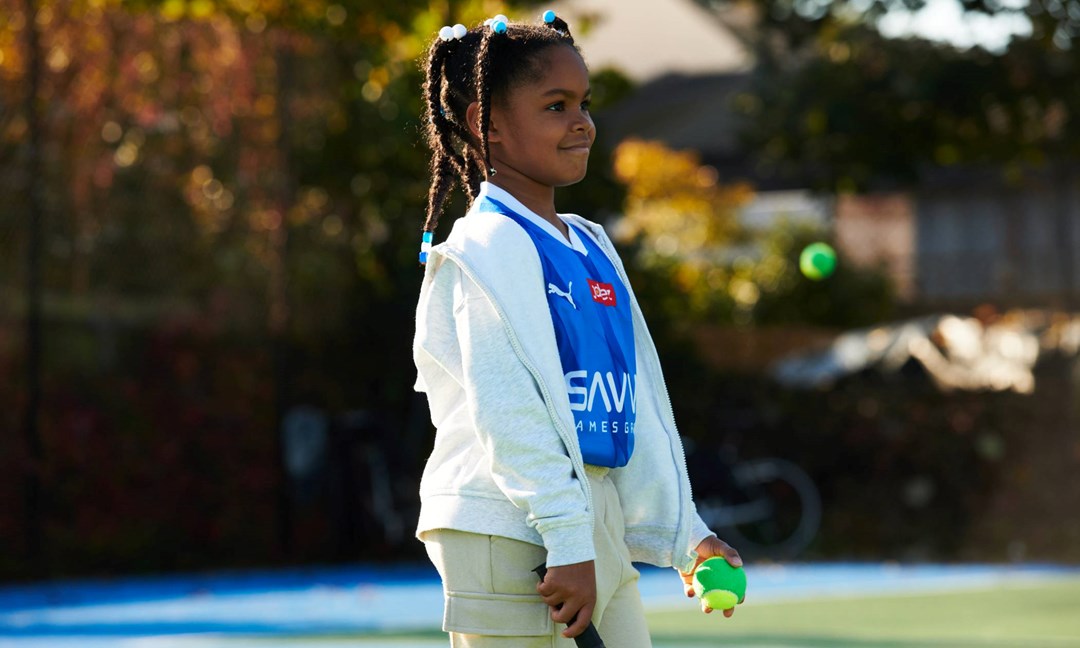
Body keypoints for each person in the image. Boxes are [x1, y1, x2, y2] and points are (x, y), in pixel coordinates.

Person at [411, 10, 743, 647]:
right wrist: (566, 541)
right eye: (556, 105)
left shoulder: (589, 244)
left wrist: (686, 535)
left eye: (584, 103)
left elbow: (634, 403)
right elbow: (509, 413)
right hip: (506, 530)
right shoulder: (486, 247)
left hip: (588, 525)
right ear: (489, 125)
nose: (582, 122)